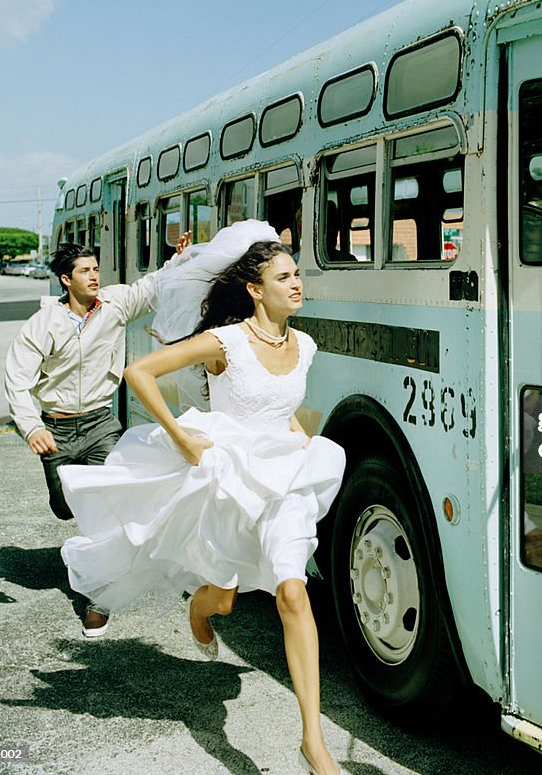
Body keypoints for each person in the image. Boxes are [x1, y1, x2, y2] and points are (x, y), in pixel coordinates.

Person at [58, 220, 348, 775]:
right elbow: (137, 371)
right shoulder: (226, 341)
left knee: (293, 591)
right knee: (225, 593)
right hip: (228, 479)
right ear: (255, 290)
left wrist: (301, 442)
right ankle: (201, 608)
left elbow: (280, 407)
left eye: (298, 274)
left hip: (283, 476)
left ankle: (313, 742)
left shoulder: (304, 345)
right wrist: (179, 434)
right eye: (283, 276)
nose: (297, 283)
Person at [3, 233, 190, 637]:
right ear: (65, 280)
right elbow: (16, 378)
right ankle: (76, 521)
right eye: (84, 271)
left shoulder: (115, 303)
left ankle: (99, 597)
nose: (94, 277)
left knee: (107, 509)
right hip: (56, 428)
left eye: (95, 270)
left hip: (101, 423)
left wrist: (177, 259)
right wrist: (31, 426)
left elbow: (151, 287)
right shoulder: (44, 323)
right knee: (66, 507)